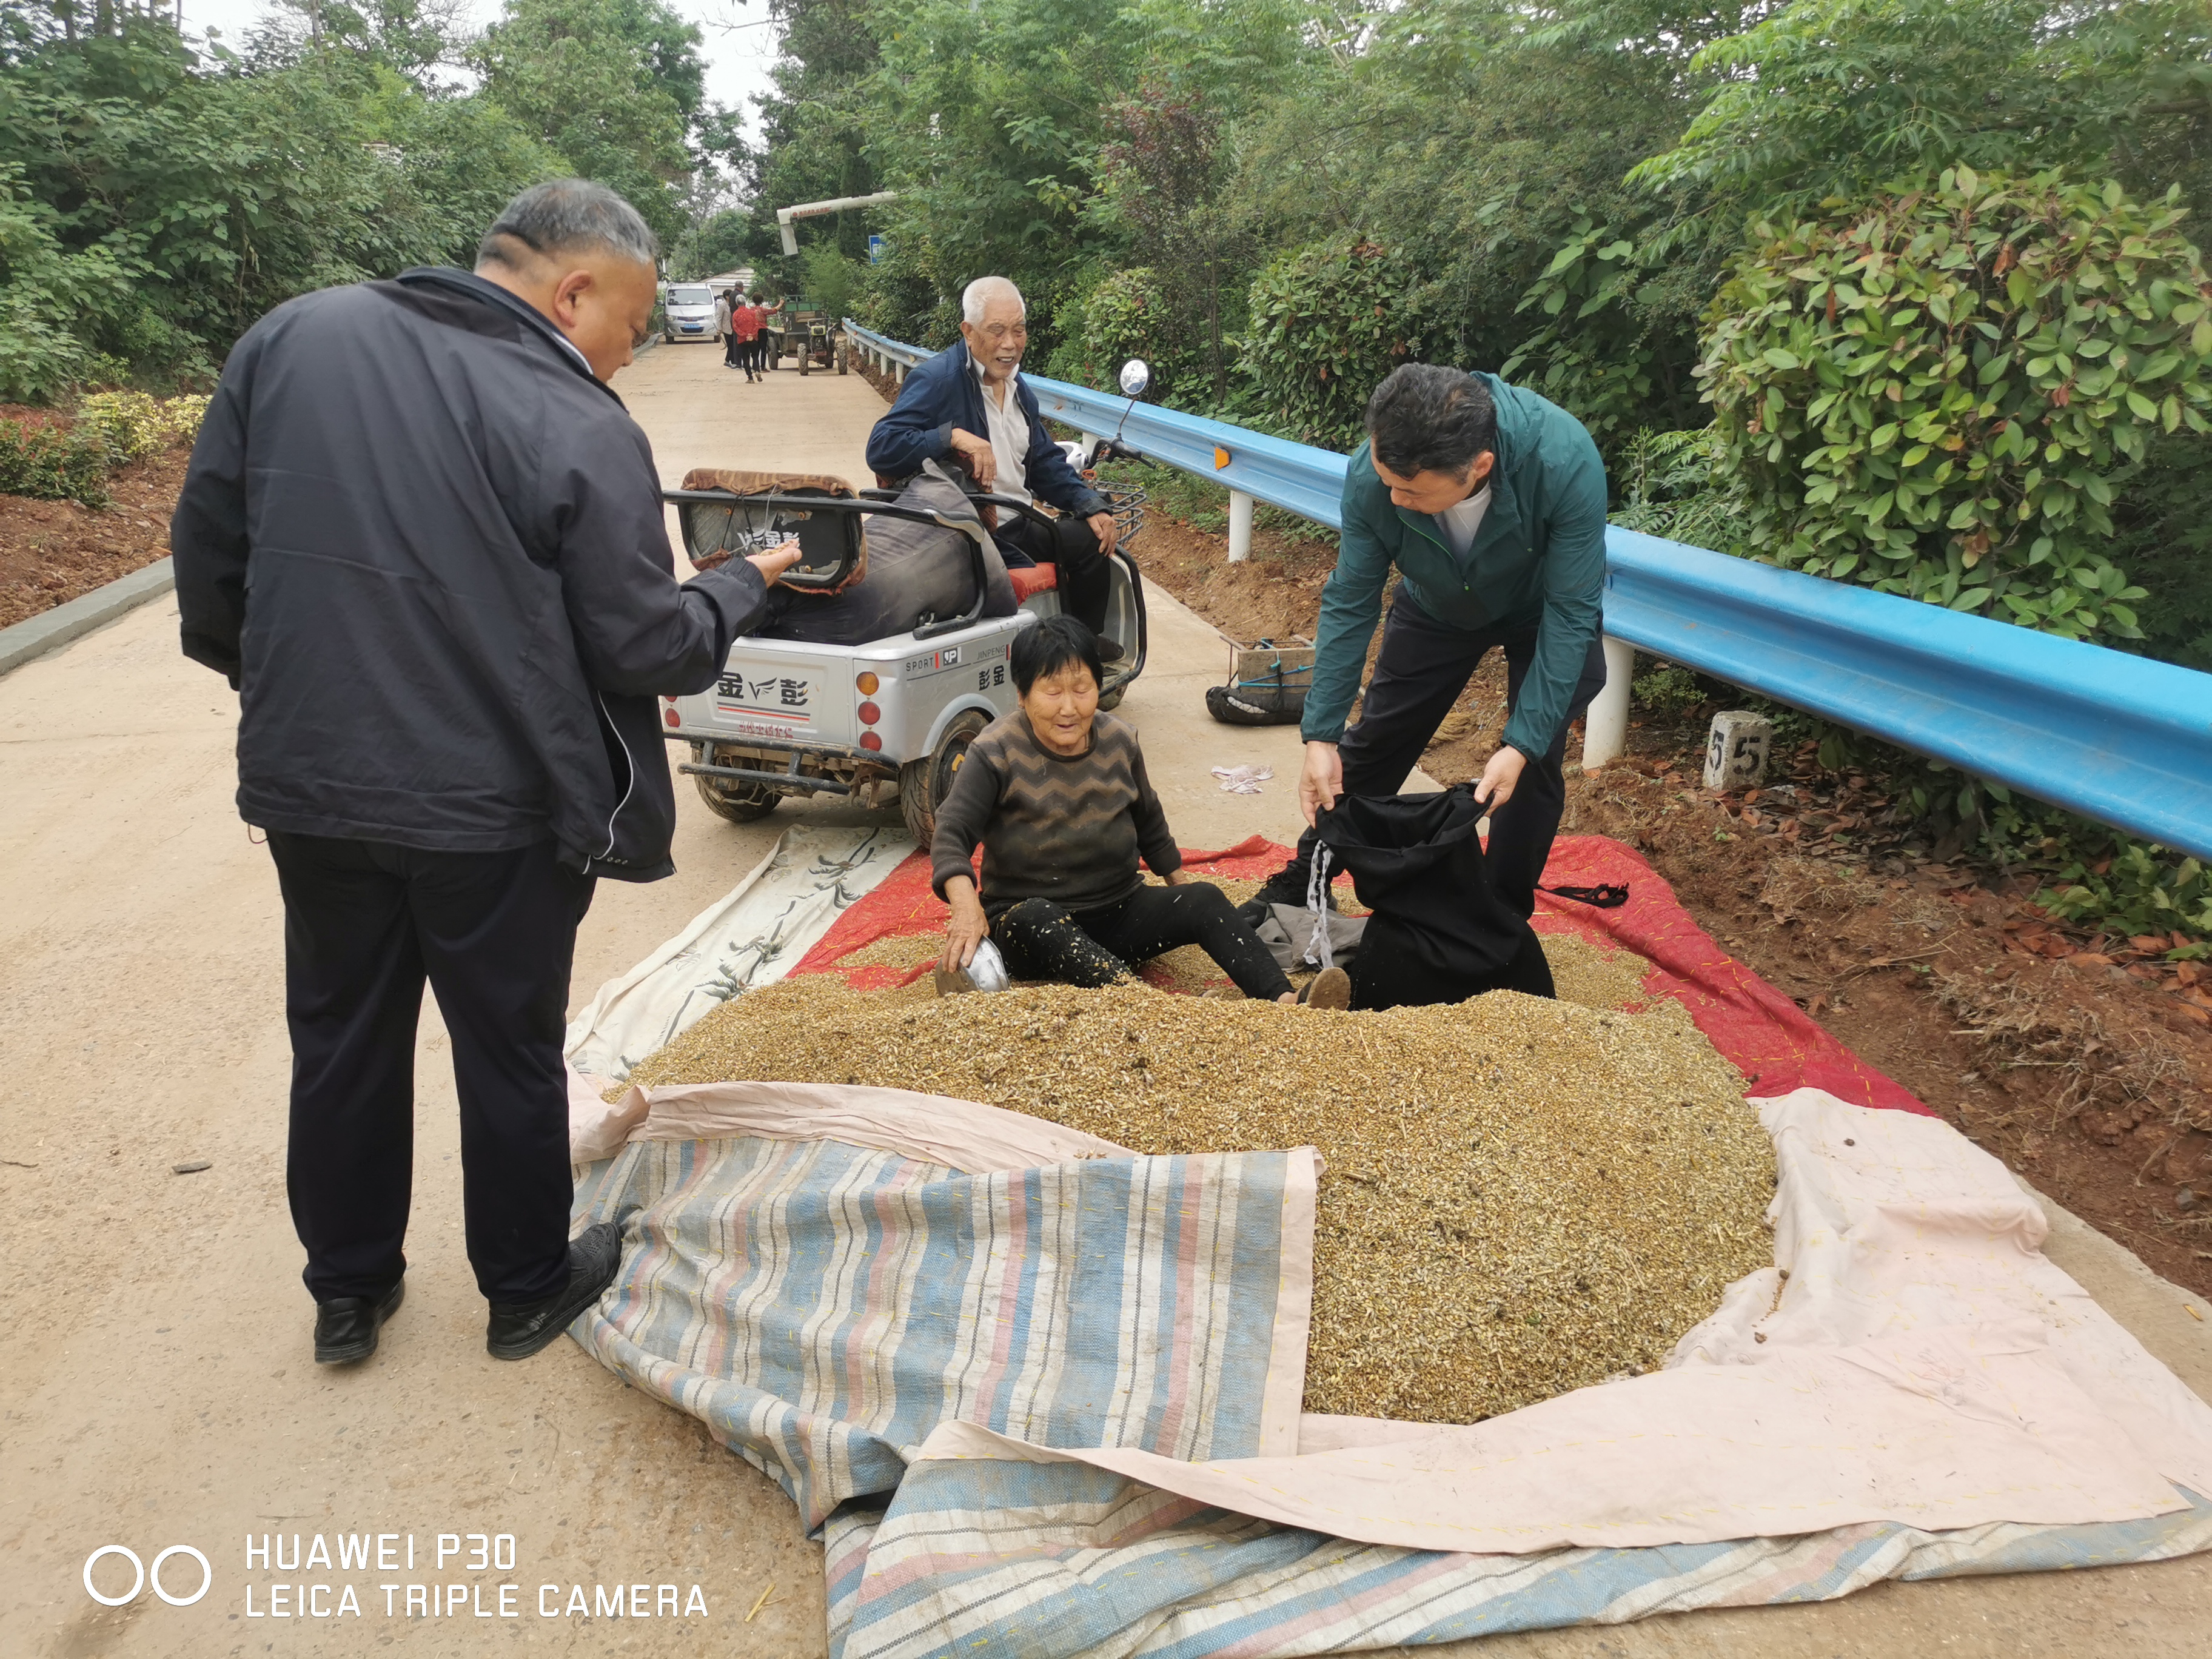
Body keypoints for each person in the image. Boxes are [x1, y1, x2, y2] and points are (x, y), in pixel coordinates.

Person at [170, 179, 803, 1370]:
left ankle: (348, 1293)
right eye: (631, 323)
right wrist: (741, 581)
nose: (628, 352)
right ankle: (523, 1290)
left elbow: (209, 567)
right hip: (494, 812)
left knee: (341, 1036)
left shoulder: (293, 339)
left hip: (316, 793)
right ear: (573, 293)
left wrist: (294, 697)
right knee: (506, 1048)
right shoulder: (577, 419)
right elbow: (645, 647)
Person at [1248, 363, 1609, 923]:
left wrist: (1520, 745)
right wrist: (1320, 735)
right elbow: (1351, 599)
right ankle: (1307, 877)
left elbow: (1571, 612)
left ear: (1479, 466)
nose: (1393, 499)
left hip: (1542, 612)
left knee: (1531, 766)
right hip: (1436, 604)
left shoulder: (1562, 461)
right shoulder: (1375, 474)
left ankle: (1499, 917)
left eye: (1412, 491)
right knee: (1378, 740)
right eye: (1387, 482)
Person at [932, 615, 1352, 1008]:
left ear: (1099, 688)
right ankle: (1146, 1007)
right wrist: (967, 909)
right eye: (1052, 692)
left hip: (1118, 912)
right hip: (1030, 929)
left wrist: (1180, 893)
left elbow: (1149, 821)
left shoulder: (1120, 740)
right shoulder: (994, 751)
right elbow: (951, 833)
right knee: (1036, 917)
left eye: (1081, 689)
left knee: (1203, 897)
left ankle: (1286, 1000)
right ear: (1023, 695)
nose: (1069, 708)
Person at [866, 276, 1125, 649]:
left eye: (1019, 330)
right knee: (1077, 542)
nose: (1010, 344)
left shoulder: (1019, 389)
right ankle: (1073, 651)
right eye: (997, 330)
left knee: (1093, 537)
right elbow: (881, 446)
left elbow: (1044, 462)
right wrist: (951, 437)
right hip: (968, 532)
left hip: (1018, 524)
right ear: (968, 332)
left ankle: (1082, 646)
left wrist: (1089, 503)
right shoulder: (938, 380)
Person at [731, 291, 763, 381]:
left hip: (742, 340)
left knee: (745, 358)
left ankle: (750, 378)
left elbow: (736, 328)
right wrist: (752, 335)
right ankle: (757, 370)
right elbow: (756, 325)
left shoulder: (736, 314)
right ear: (745, 302)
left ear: (737, 303)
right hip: (753, 338)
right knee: (755, 356)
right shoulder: (752, 313)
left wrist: (745, 335)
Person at [719, 289, 742, 370]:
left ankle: (729, 360)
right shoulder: (722, 305)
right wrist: (719, 329)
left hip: (734, 328)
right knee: (731, 345)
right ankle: (732, 362)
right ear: (727, 297)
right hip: (727, 328)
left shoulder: (733, 304)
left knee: (734, 345)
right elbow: (719, 317)